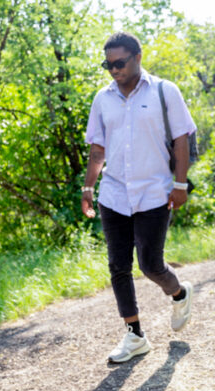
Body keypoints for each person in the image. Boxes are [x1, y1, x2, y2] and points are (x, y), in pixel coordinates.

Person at [81, 31, 196, 364]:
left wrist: (181, 184)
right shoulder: (103, 98)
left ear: (137, 57)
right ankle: (135, 335)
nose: (114, 70)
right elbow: (98, 148)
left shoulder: (164, 91)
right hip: (114, 193)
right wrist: (88, 188)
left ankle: (179, 292)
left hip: (154, 191)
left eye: (119, 63)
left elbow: (181, 140)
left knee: (149, 264)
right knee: (118, 266)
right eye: (108, 65)